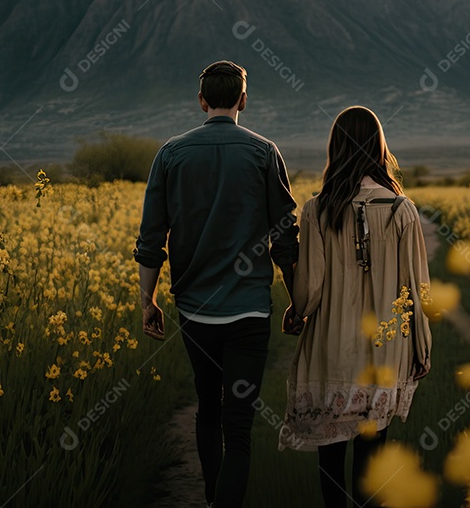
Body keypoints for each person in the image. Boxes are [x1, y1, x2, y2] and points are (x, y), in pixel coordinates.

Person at [134, 60, 299, 508]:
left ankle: (211, 499)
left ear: (201, 100)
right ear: (244, 100)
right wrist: (296, 298)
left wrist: (147, 301)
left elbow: (152, 239)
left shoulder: (170, 154)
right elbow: (285, 236)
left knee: (208, 411)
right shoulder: (265, 152)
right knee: (238, 426)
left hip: (195, 312)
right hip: (249, 313)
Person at [278, 106, 432, 508]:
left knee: (330, 457)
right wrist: (421, 346)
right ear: (379, 147)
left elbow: (310, 291)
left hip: (333, 346)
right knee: (372, 456)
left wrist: (294, 307)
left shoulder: (317, 209)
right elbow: (418, 291)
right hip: (386, 349)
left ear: (336, 147)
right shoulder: (403, 211)